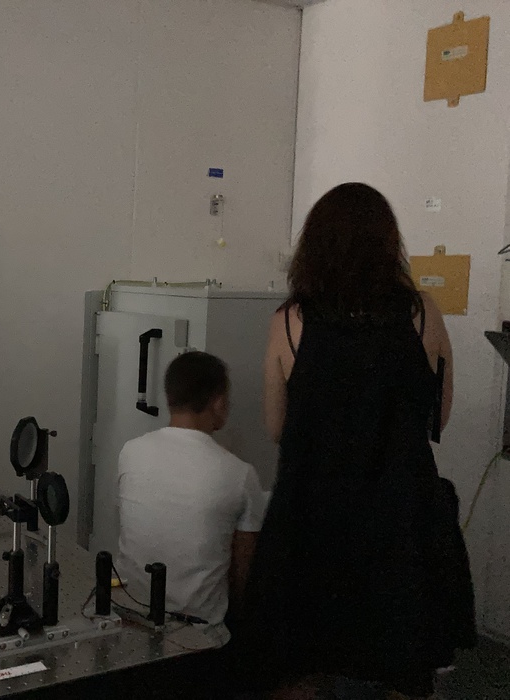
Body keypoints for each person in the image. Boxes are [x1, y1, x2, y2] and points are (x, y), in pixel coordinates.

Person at [243, 182, 475, 698]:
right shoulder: (422, 314)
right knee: (403, 666)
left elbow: (276, 428)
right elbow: (438, 416)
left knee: (302, 662)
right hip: (400, 519)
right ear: (388, 244)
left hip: (312, 514)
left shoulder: (289, 322)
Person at [116, 351, 266, 648]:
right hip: (198, 640)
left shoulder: (130, 452)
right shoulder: (240, 474)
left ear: (169, 397)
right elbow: (244, 575)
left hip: (127, 621)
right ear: (218, 402)